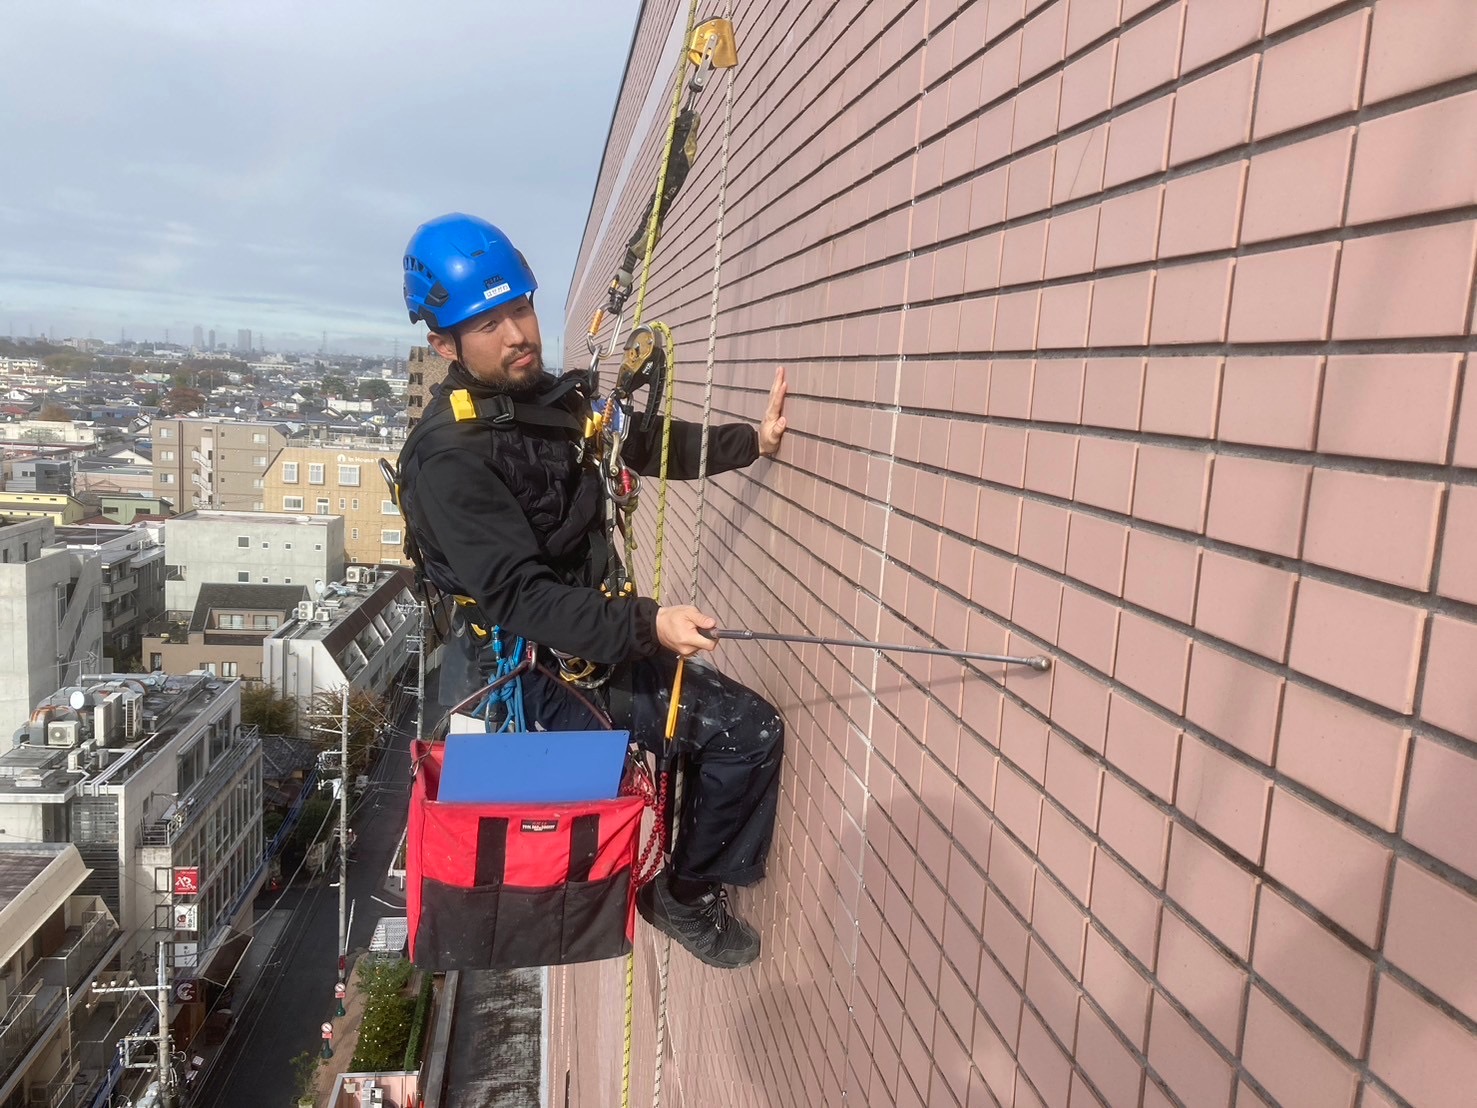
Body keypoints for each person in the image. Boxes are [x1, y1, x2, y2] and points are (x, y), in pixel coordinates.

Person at [395, 213, 788, 969]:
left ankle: (681, 868)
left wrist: (750, 442)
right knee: (746, 730)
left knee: (718, 729)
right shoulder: (450, 458)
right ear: (444, 344)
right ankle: (682, 895)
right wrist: (649, 626)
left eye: (521, 309)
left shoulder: (539, 400)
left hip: (585, 635)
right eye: (488, 323)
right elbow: (522, 599)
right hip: (531, 669)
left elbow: (633, 442)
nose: (518, 335)